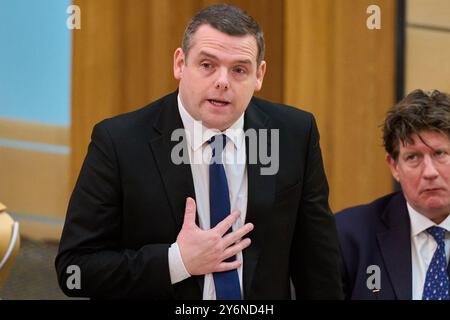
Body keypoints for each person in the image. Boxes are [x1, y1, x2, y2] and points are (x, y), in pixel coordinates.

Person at [55, 4, 343, 299]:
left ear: (259, 75)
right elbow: (75, 269)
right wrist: (177, 261)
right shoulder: (119, 142)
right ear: (180, 64)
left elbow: (318, 264)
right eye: (207, 65)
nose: (222, 81)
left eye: (239, 70)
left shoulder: (293, 134)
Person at [335, 89, 450, 300]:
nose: (430, 172)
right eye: (413, 157)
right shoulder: (349, 235)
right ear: (394, 166)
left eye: (440, 154)